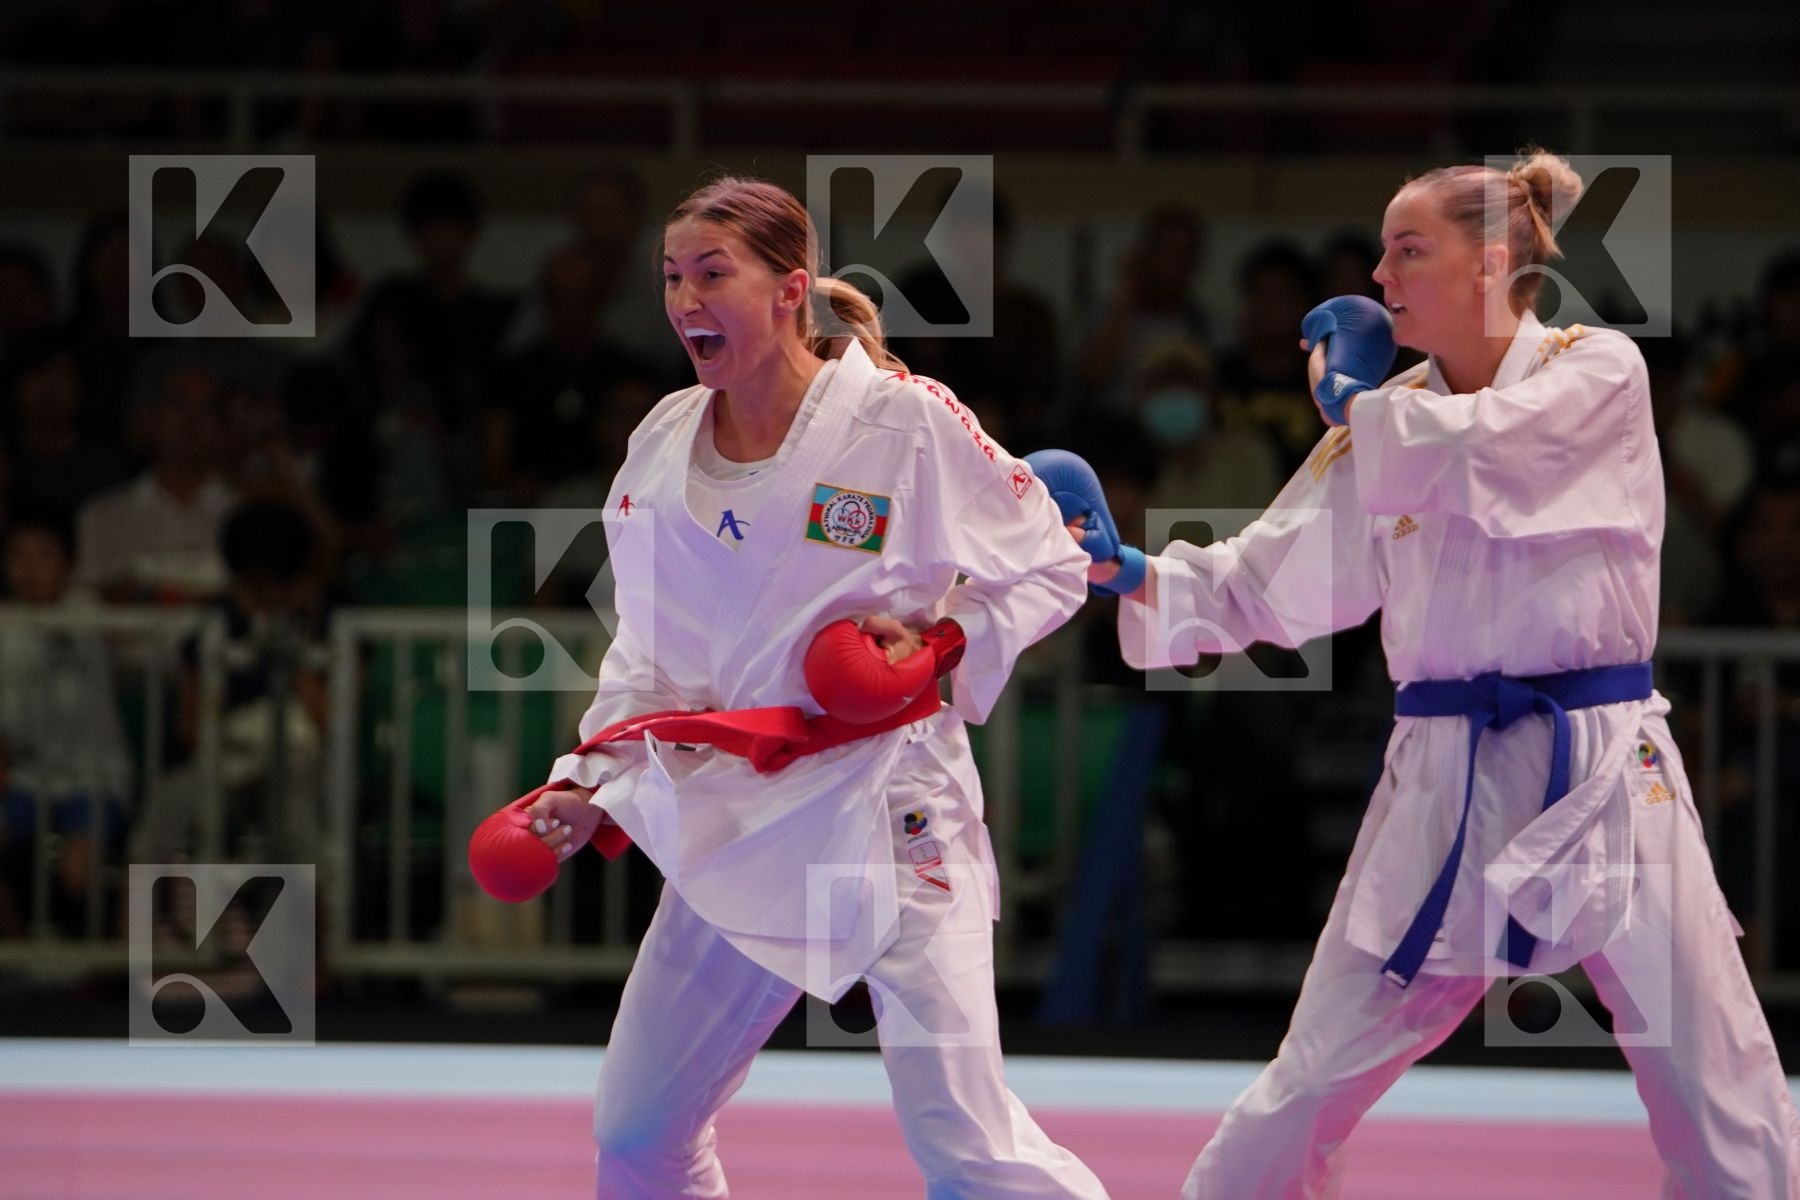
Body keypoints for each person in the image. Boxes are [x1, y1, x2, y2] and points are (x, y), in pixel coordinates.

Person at [1043, 149, 1800, 1198]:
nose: (1380, 277)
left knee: (1714, 1074)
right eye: (1384, 252)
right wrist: (1130, 572)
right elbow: (1272, 578)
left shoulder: (1597, 372)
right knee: (1309, 1080)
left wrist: (1359, 407)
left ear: (1491, 263)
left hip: (1608, 770)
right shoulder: (1383, 419)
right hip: (1443, 775)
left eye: (1409, 250)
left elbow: (1484, 456)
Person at [517, 176, 1107, 1199]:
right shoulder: (661, 441)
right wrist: (586, 775)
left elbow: (1052, 563)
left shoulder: (900, 420)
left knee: (969, 1144)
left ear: (791, 290)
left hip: (893, 799)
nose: (686, 300)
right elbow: (647, 652)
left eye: (714, 274)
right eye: (672, 278)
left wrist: (943, 641)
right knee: (637, 1132)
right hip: (742, 811)